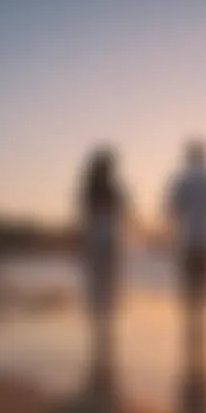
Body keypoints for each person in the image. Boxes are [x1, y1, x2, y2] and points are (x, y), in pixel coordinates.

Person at [166, 139, 206, 373]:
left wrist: (170, 238)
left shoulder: (182, 180)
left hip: (187, 241)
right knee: (204, 287)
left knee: (189, 288)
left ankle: (192, 329)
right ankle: (201, 329)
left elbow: (172, 212)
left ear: (189, 156)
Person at [79, 145, 126, 386]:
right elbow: (123, 215)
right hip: (107, 237)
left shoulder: (89, 187)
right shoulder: (112, 189)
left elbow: (83, 216)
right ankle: (104, 334)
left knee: (97, 290)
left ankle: (100, 335)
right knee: (106, 289)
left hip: (95, 237)